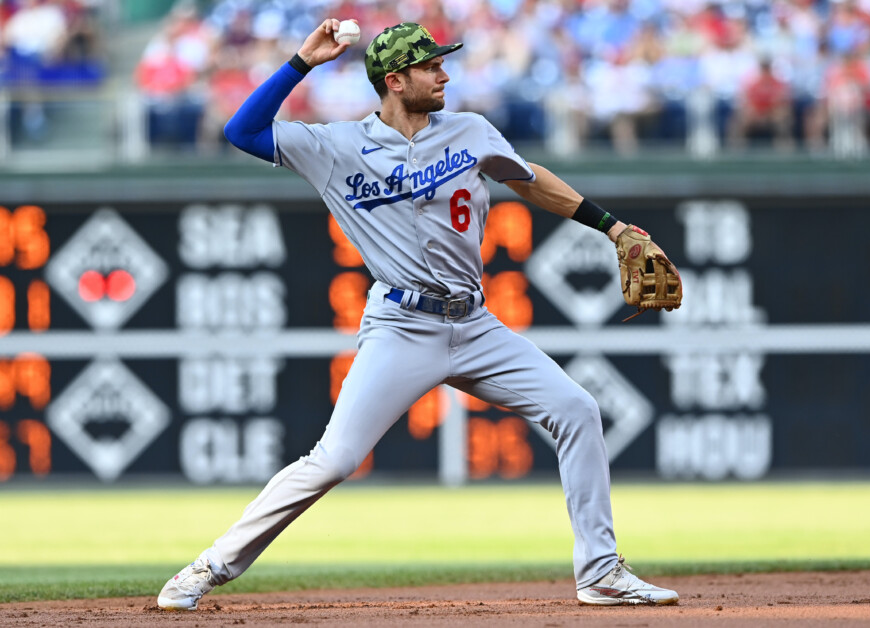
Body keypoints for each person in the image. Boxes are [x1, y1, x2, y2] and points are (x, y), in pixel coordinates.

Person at [157, 18, 680, 611]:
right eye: (431, 66)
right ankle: (207, 567)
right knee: (335, 459)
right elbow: (241, 129)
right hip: (402, 326)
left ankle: (601, 572)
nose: (444, 72)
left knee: (577, 411)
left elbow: (530, 183)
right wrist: (303, 61)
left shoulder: (470, 131)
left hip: (476, 324)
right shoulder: (335, 147)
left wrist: (611, 227)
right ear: (397, 80)